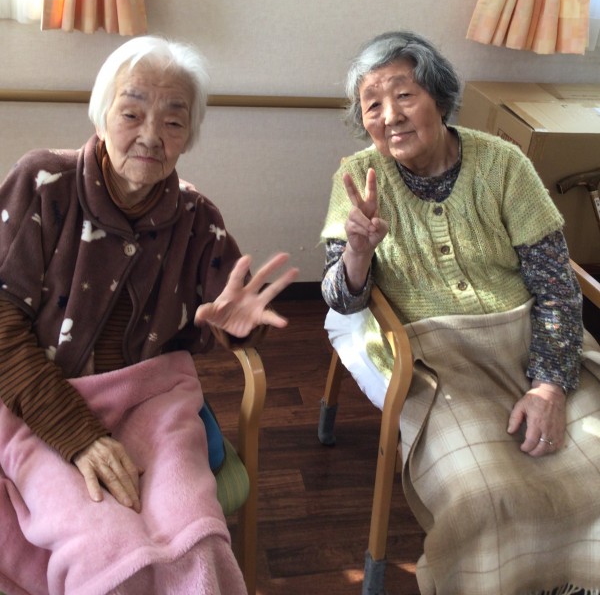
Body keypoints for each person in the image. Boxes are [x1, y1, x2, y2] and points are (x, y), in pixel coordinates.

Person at [0, 35, 298, 595]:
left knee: (196, 541)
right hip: (42, 398)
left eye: (173, 122)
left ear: (189, 137)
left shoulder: (198, 217)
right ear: (102, 114)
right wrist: (77, 435)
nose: (151, 136)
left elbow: (232, 308)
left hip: (153, 398)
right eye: (132, 113)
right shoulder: (43, 184)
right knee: (108, 552)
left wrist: (243, 329)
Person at [321, 30, 600, 595]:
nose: (390, 116)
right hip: (437, 364)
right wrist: (357, 252)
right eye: (372, 105)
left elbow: (555, 286)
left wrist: (549, 386)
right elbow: (341, 300)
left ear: (440, 97)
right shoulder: (358, 175)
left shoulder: (504, 165)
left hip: (532, 341)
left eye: (404, 95)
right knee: (485, 497)